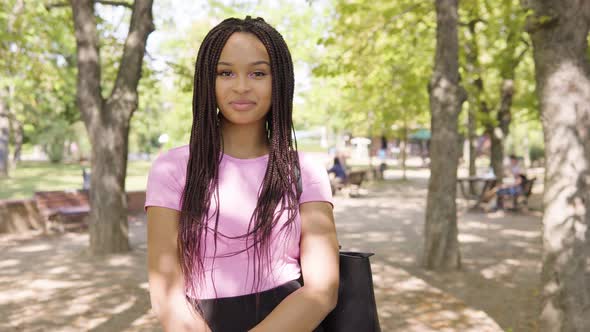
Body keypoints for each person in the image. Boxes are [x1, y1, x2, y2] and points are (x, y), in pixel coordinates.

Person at [144, 17, 339, 332]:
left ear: (280, 81)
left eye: (258, 73)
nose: (242, 86)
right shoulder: (171, 169)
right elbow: (166, 295)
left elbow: (322, 291)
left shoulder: (304, 170)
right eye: (226, 72)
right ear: (208, 81)